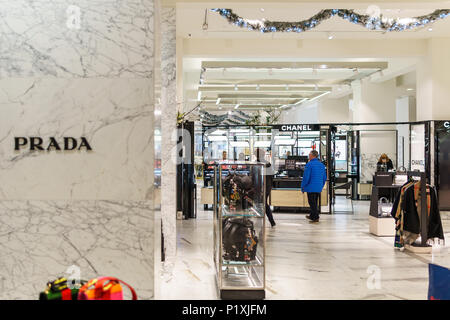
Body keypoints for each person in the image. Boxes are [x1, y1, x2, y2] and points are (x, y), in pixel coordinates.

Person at [301, 150, 327, 223]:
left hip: (310, 187)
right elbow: (324, 177)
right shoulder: (321, 165)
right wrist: (321, 186)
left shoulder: (309, 164)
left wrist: (303, 186)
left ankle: (316, 217)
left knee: (312, 203)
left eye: (309, 154)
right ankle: (312, 216)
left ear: (313, 156)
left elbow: (306, 177)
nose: (308, 156)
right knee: (315, 202)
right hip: (318, 187)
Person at [255, 148, 276, 227]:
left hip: (259, 187)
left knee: (261, 203)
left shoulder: (256, 163)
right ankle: (270, 221)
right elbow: (272, 175)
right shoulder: (267, 163)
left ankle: (261, 221)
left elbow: (253, 176)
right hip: (267, 186)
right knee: (263, 203)